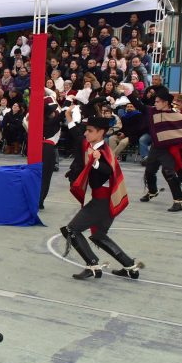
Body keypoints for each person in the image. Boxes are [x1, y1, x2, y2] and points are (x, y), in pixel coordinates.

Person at [60, 117, 144, 280]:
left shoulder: (104, 151)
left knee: (71, 230)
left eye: (90, 130)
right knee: (99, 236)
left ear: (101, 133)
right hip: (106, 201)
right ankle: (130, 266)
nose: (86, 133)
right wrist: (70, 117)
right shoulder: (92, 146)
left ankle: (93, 265)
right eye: (86, 130)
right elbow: (78, 137)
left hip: (102, 202)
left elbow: (107, 171)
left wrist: (96, 161)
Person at [140, 88, 182, 212]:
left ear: (166, 102)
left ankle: (179, 201)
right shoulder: (153, 111)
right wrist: (129, 93)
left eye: (157, 101)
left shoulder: (175, 114)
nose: (155, 103)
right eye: (155, 101)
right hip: (156, 147)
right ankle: (153, 191)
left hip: (169, 149)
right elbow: (139, 106)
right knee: (149, 171)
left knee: (169, 173)